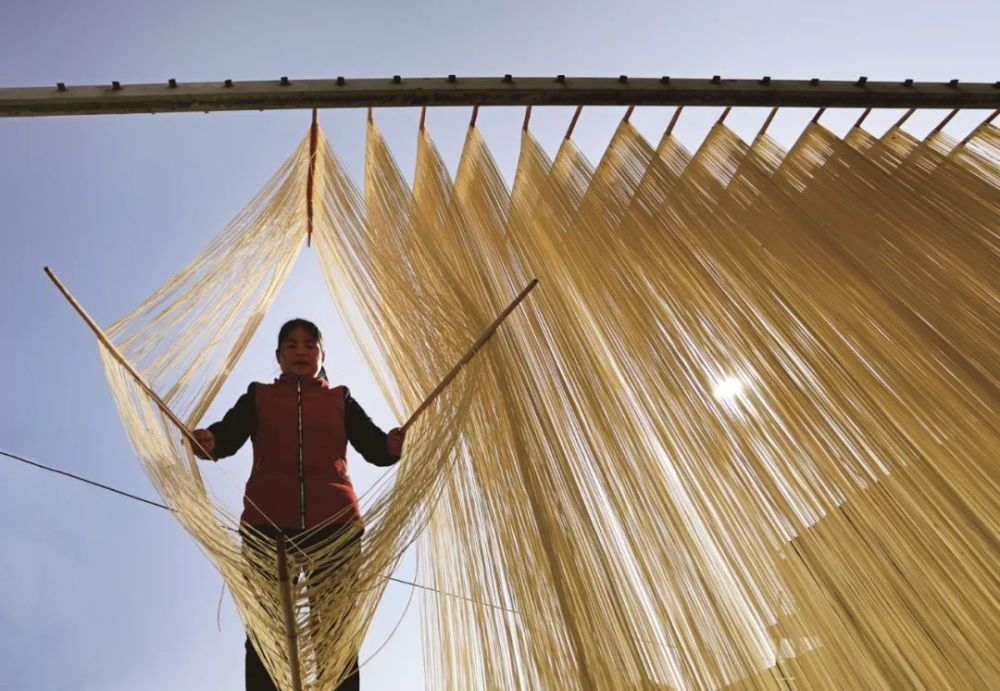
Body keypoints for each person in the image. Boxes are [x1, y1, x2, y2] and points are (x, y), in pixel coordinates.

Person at [192, 318, 404, 691]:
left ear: (323, 354)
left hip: (336, 527)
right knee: (265, 631)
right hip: (266, 524)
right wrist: (210, 440)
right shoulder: (258, 395)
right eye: (290, 345)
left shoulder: (340, 398)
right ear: (278, 356)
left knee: (335, 632)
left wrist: (392, 445)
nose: (301, 351)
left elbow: (374, 446)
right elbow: (228, 434)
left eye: (310, 344)